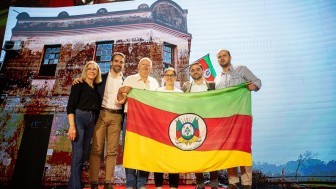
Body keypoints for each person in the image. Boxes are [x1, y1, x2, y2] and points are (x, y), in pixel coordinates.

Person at [215, 49, 261, 189]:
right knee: (229, 148)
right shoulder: (217, 79)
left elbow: (257, 81)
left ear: (230, 57)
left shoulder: (242, 70)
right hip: (226, 119)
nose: (222, 58)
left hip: (241, 116)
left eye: (224, 55)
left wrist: (254, 86)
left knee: (244, 147)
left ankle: (247, 183)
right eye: (219, 57)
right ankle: (233, 182)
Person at [117, 57, 160, 189]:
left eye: (148, 65)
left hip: (148, 121)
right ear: (138, 66)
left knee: (145, 151)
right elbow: (120, 100)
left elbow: (158, 102)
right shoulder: (130, 79)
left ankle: (141, 183)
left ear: (151, 68)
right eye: (143, 65)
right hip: (131, 118)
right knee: (129, 150)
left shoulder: (155, 83)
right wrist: (121, 91)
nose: (145, 67)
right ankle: (130, 183)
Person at [88, 52, 126, 189]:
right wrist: (77, 80)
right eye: (116, 61)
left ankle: (108, 182)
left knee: (112, 151)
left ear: (123, 64)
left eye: (121, 62)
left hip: (117, 116)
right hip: (102, 115)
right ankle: (93, 182)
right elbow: (87, 83)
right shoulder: (101, 78)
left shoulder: (125, 81)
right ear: (111, 62)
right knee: (96, 149)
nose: (118, 64)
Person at [182, 62, 219, 189]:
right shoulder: (186, 87)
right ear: (190, 73)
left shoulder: (212, 85)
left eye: (198, 69)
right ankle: (200, 183)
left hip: (210, 123)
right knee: (196, 152)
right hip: (193, 123)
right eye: (192, 70)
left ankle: (214, 183)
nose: (195, 72)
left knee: (212, 153)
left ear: (202, 71)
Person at [66, 61, 102, 189]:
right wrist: (72, 126)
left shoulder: (97, 88)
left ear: (98, 72)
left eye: (95, 69)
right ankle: (76, 187)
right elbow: (70, 106)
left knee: (83, 154)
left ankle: (72, 185)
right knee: (78, 154)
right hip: (79, 118)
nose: (92, 71)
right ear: (86, 71)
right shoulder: (78, 84)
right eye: (89, 69)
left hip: (91, 121)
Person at [154, 68, 182, 189]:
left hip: (175, 128)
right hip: (160, 128)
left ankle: (173, 185)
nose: (169, 77)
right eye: (167, 75)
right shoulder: (157, 91)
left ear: (175, 77)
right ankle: (159, 185)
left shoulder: (180, 93)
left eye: (172, 75)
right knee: (158, 157)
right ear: (164, 77)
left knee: (174, 157)